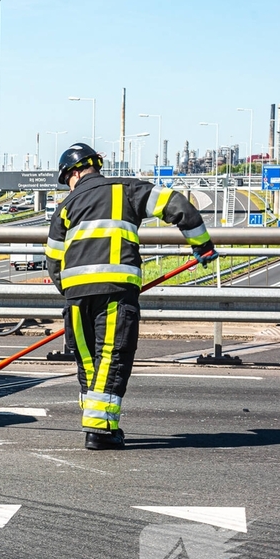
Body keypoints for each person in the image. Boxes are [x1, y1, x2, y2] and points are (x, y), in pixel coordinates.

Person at [45, 143, 217, 450]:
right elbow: (178, 205)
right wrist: (202, 245)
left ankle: (100, 424)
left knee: (88, 361)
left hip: (75, 297)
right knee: (111, 357)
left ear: (75, 173)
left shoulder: (65, 206)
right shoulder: (126, 190)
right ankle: (100, 430)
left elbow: (53, 261)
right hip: (115, 290)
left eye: (66, 179)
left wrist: (71, 290)